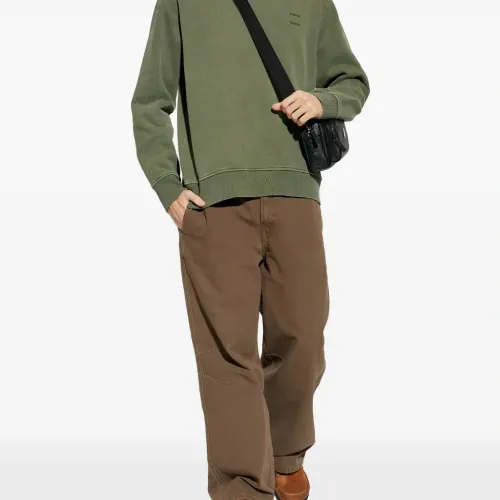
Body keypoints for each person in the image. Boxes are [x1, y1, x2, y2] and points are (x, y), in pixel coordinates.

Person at [130, 0, 369, 498]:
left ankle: (285, 454)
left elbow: (352, 81)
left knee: (303, 337)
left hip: (296, 194)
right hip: (213, 206)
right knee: (228, 358)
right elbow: (150, 99)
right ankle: (241, 488)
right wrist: (167, 186)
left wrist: (322, 101)